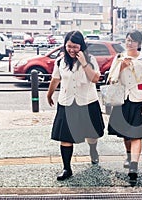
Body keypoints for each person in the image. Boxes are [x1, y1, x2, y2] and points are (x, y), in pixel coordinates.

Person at [47, 30, 105, 181]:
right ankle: (67, 168)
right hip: (66, 103)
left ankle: (93, 149)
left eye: (75, 46)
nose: (72, 50)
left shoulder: (90, 59)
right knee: (65, 137)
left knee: (91, 135)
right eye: (69, 46)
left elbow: (95, 79)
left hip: (87, 103)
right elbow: (55, 79)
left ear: (81, 46)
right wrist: (49, 93)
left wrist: (84, 63)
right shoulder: (60, 61)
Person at [107, 30, 142, 184]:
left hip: (139, 99)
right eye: (128, 40)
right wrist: (121, 67)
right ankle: (128, 155)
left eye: (133, 41)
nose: (130, 43)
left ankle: (134, 166)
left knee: (136, 134)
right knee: (125, 134)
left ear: (139, 43)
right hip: (122, 99)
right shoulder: (119, 57)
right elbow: (110, 79)